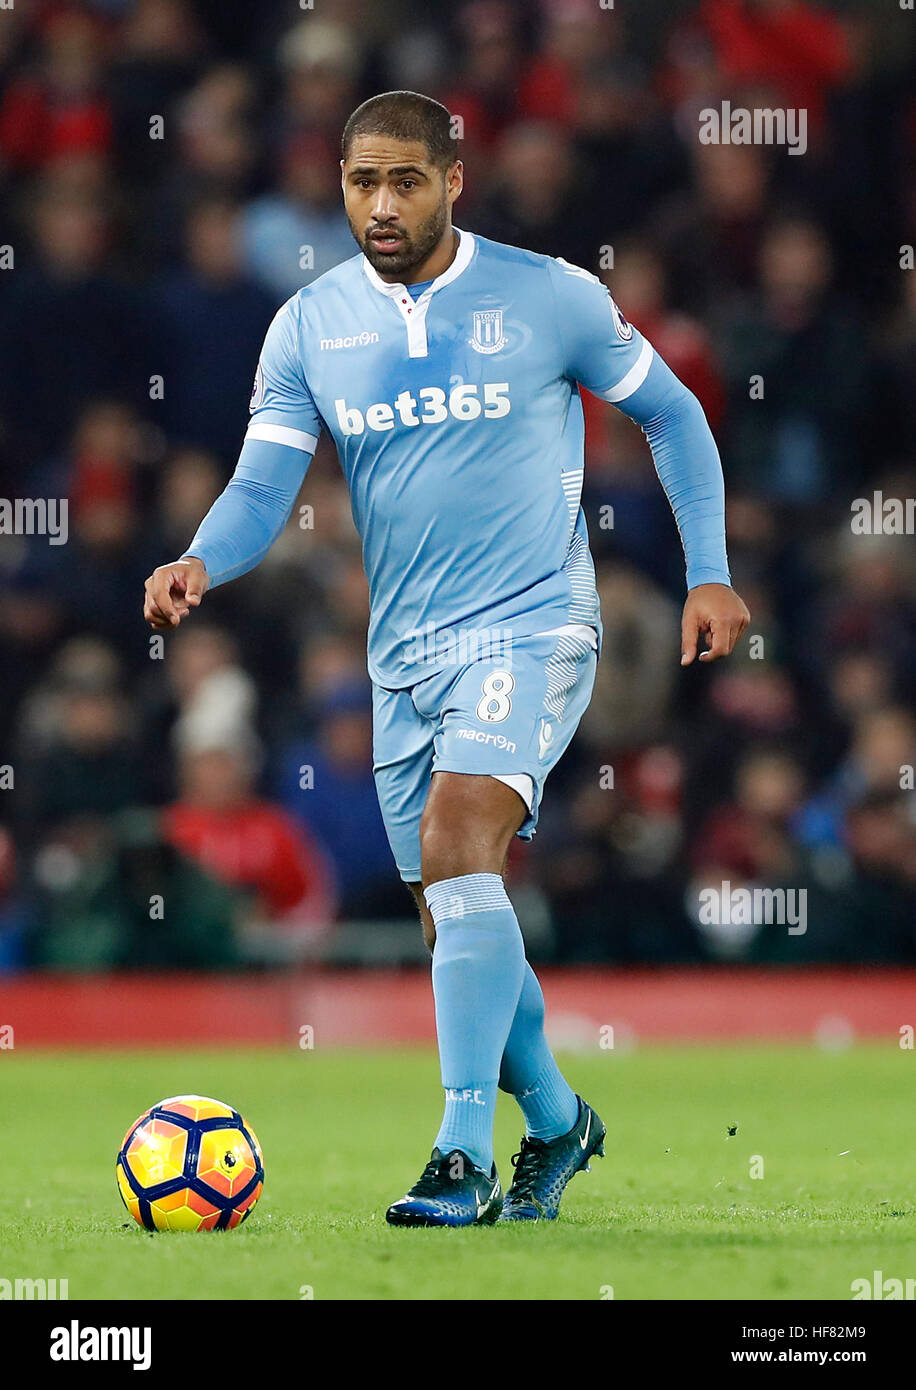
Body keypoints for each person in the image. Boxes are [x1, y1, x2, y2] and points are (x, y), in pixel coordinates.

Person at [144, 91, 749, 1227]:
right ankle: (561, 1122)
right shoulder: (309, 326)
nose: (381, 204)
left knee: (460, 836)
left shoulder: (549, 296)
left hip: (535, 623)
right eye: (361, 181)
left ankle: (461, 1151)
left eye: (405, 181)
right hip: (403, 659)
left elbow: (674, 416)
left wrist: (706, 568)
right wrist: (197, 561)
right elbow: (264, 485)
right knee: (453, 908)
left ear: (453, 180)